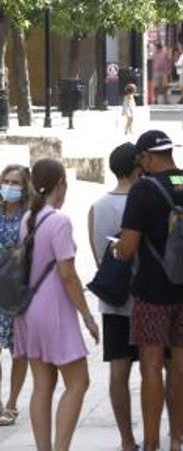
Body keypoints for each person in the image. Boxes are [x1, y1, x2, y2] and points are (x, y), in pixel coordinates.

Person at [113, 130, 183, 451]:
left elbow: (129, 246)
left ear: (146, 158)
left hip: (151, 292)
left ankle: (152, 444)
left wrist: (117, 250)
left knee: (151, 364)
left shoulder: (143, 191)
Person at [13, 159, 98, 451]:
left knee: (42, 385)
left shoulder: (28, 218)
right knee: (78, 381)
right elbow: (68, 274)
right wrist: (87, 315)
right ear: (60, 184)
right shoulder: (60, 221)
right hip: (54, 310)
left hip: (28, 309)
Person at [88, 146, 141, 451]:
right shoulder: (144, 200)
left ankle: (126, 440)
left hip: (114, 300)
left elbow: (99, 259)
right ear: (138, 166)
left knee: (118, 370)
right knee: (154, 366)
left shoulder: (97, 206)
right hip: (146, 299)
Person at [0, 165, 28, 429]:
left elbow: (35, 250)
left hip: (18, 292)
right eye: (6, 181)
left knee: (18, 351)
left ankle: (12, 402)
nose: (9, 186)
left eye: (16, 183)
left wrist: (17, 251)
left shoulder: (28, 217)